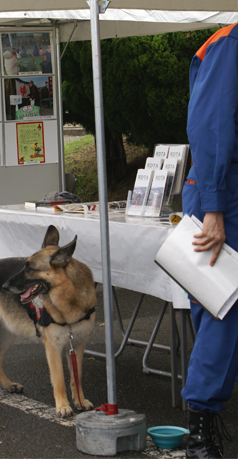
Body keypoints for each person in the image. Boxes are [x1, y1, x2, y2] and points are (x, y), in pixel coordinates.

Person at [182, 23, 238, 458]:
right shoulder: (229, 43)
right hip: (223, 195)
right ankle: (200, 429)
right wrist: (215, 208)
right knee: (225, 310)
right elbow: (211, 125)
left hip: (223, 192)